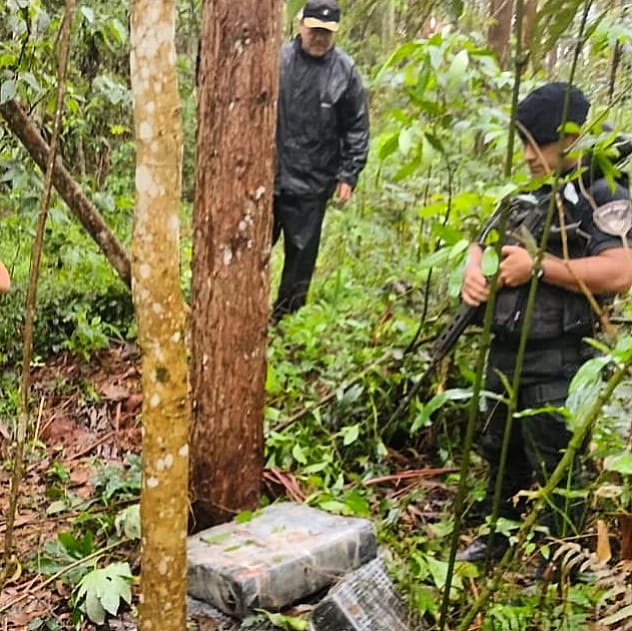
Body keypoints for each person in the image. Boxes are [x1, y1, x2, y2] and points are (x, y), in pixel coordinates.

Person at [457, 82, 632, 562]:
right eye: (525, 145)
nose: (529, 156)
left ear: (569, 140)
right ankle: (498, 541)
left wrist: (539, 267)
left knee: (559, 463)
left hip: (558, 356)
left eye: (538, 145)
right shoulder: (533, 192)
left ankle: (565, 561)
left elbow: (620, 271)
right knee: (499, 452)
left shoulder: (604, 192)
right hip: (506, 346)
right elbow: (484, 240)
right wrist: (474, 271)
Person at [271, 0, 369, 323]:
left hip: (313, 183)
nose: (319, 37)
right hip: (269, 177)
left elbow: (357, 126)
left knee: (300, 259)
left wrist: (348, 175)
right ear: (301, 25)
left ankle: (285, 322)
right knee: (249, 249)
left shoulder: (345, 72)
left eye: (326, 32)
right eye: (314, 30)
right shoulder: (278, 60)